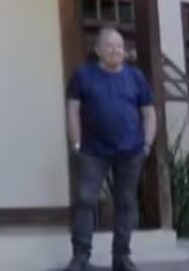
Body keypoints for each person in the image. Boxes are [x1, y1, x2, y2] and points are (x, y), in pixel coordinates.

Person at [65, 27, 157, 271]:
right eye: (109, 45)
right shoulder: (83, 75)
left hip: (131, 152)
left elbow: (149, 113)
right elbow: (73, 109)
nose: (116, 50)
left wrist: (147, 144)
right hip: (92, 151)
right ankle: (80, 257)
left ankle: (121, 257)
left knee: (125, 203)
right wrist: (76, 143)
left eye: (119, 46)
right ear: (98, 50)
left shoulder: (136, 77)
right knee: (85, 199)